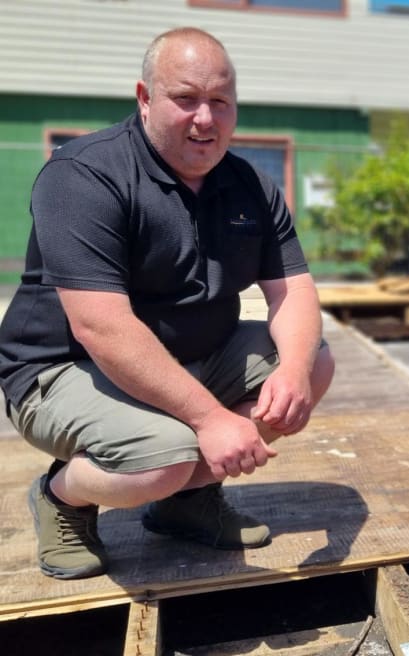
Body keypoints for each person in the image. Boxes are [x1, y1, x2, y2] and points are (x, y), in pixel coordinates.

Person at [0, 27, 336, 580]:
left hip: (191, 356)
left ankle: (185, 503)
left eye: (220, 102)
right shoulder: (85, 175)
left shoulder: (248, 183)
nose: (205, 118)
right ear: (145, 97)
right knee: (167, 457)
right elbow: (100, 327)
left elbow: (292, 290)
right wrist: (210, 419)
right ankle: (63, 496)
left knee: (313, 361)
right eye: (186, 98)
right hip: (61, 368)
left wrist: (295, 370)